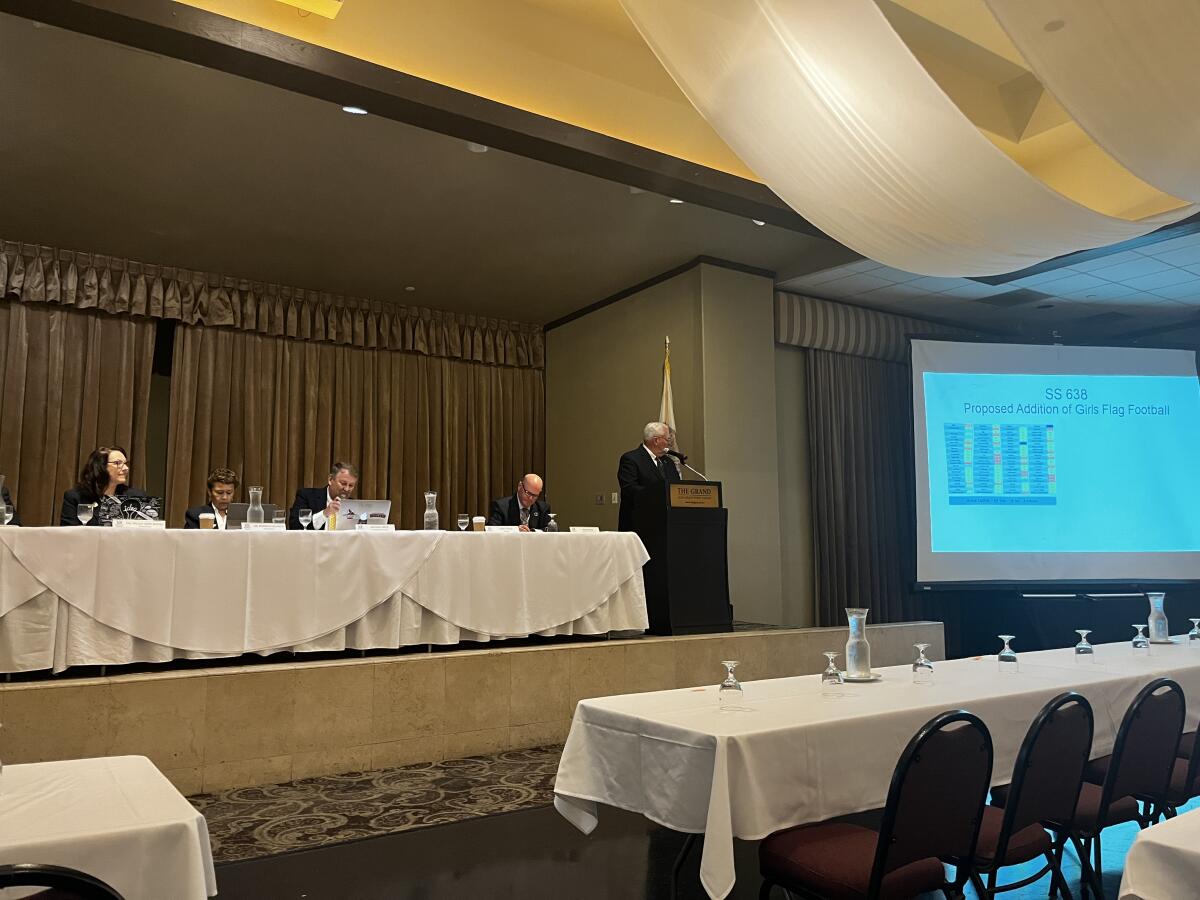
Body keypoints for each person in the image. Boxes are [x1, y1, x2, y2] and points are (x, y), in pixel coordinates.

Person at [617, 421, 680, 532]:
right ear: (656, 440)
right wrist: (659, 493)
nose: (670, 444)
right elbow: (629, 489)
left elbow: (675, 487)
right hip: (640, 525)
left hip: (667, 525)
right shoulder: (631, 459)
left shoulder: (668, 462)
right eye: (667, 439)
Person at [61, 446, 147, 526]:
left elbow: (147, 533)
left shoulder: (136, 497)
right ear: (100, 466)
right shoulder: (76, 497)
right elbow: (69, 534)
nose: (126, 468)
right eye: (118, 463)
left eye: (125, 463)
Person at [288, 462, 359, 530]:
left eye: (351, 485)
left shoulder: (353, 505)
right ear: (330, 479)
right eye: (343, 483)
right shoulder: (307, 496)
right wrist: (325, 513)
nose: (346, 489)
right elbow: (295, 526)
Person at [487, 474, 552, 532]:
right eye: (528, 493)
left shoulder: (543, 508)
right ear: (520, 486)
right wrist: (515, 530)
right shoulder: (501, 506)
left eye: (535, 495)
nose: (531, 498)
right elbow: (491, 530)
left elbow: (551, 531)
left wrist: (532, 532)